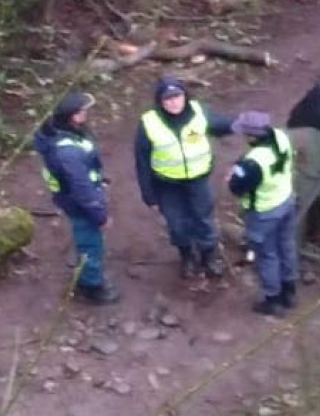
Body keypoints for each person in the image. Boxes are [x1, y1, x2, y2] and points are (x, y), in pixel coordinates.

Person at [135, 76, 235, 279]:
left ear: (185, 96)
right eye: (168, 99)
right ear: (160, 101)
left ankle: (209, 256)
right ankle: (187, 257)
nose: (173, 102)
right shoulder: (149, 123)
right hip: (167, 184)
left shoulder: (199, 112)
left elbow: (220, 124)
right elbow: (142, 161)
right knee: (176, 223)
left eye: (177, 96)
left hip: (198, 179)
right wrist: (149, 195)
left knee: (204, 218)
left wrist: (242, 123)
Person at [33, 89, 119, 305]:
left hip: (73, 197)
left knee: (87, 240)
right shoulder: (67, 152)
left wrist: (99, 178)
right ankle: (91, 286)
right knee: (91, 244)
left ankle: (86, 276)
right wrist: (100, 216)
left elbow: (85, 168)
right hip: (78, 203)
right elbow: (81, 189)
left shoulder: (68, 133)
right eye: (83, 111)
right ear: (73, 116)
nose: (86, 114)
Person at [228, 111, 299, 316]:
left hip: (264, 212)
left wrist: (233, 175)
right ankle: (290, 291)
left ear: (252, 137)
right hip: (286, 201)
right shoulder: (281, 137)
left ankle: (272, 299)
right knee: (287, 246)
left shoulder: (252, 163)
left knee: (267, 255)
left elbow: (237, 188)